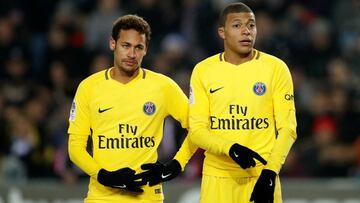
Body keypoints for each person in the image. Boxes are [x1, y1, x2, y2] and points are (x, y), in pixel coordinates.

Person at [67, 14, 197, 203]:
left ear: (146, 50)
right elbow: (75, 147)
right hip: (101, 198)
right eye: (126, 46)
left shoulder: (163, 87)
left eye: (138, 47)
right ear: (113, 44)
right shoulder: (89, 88)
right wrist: (104, 176)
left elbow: (197, 127)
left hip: (147, 198)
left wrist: (176, 165)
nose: (131, 54)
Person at [188, 2, 297, 203]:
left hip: (261, 176)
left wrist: (270, 172)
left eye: (251, 25)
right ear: (222, 32)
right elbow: (197, 131)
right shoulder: (203, 71)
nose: (246, 31)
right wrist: (230, 148)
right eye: (237, 26)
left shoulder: (276, 69)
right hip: (218, 179)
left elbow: (288, 128)